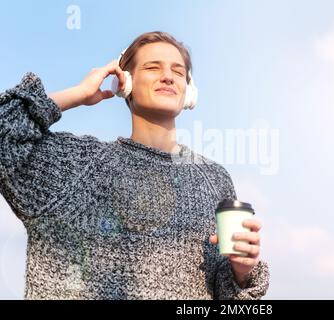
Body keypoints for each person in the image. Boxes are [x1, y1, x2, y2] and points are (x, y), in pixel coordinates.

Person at [0, 31, 270, 299]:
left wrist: (242, 271)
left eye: (178, 71)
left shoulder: (215, 180)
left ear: (190, 91)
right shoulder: (77, 165)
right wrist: (79, 93)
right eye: (153, 67)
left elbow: (225, 295)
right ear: (124, 83)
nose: (168, 76)